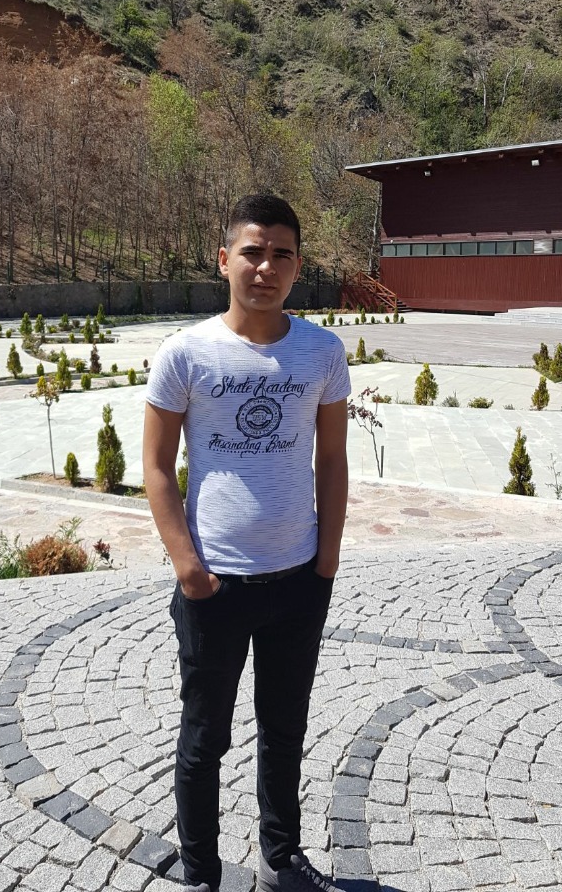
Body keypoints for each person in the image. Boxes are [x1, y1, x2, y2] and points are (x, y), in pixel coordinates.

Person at [143, 194, 350, 892]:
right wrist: (188, 569)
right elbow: (156, 467)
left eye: (281, 254)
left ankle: (280, 859)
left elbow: (332, 458)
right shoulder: (185, 353)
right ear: (224, 258)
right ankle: (201, 873)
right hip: (216, 584)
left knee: (285, 729)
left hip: (298, 579)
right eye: (252, 252)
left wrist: (327, 558)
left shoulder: (321, 351)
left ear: (298, 265)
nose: (266, 267)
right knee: (206, 738)